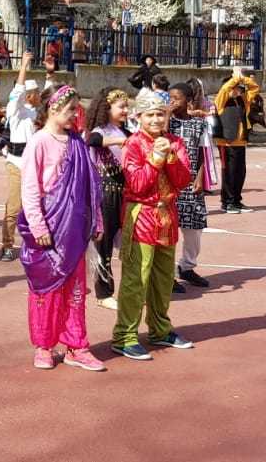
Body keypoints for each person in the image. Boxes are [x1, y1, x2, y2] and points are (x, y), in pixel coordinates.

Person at [16, 86, 108, 372]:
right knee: (47, 289)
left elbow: (90, 186)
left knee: (76, 290)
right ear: (54, 108)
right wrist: (38, 226)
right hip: (49, 225)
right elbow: (30, 188)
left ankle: (76, 346)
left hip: (75, 228)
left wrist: (97, 220)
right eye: (71, 110)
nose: (75, 115)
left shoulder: (77, 142)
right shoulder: (39, 142)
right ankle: (44, 345)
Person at [111, 89, 195, 362]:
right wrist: (156, 158)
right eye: (150, 115)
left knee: (163, 278)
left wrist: (169, 156)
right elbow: (137, 184)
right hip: (142, 217)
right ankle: (125, 336)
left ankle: (160, 329)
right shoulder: (133, 144)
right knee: (136, 278)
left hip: (167, 216)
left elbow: (183, 180)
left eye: (161, 114)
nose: (157, 119)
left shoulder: (175, 142)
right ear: (139, 117)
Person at [86, 88, 130, 309]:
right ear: (108, 108)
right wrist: (116, 141)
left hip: (125, 192)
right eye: (121, 106)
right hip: (106, 193)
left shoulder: (127, 132)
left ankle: (132, 289)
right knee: (103, 244)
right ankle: (104, 293)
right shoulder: (100, 131)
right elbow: (92, 141)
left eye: (126, 106)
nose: (125, 110)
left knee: (130, 244)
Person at [167, 83, 210, 293]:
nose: (172, 102)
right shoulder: (166, 122)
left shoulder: (199, 124)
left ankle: (186, 267)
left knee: (194, 228)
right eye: (170, 98)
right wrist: (167, 115)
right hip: (169, 183)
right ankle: (167, 274)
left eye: (177, 98)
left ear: (189, 101)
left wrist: (200, 178)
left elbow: (202, 153)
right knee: (168, 230)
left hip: (191, 181)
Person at [1, 52, 42, 261]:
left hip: (34, 164)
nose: (39, 96)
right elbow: (17, 92)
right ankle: (7, 244)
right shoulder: (15, 111)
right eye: (37, 93)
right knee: (15, 206)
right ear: (29, 95)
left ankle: (33, 243)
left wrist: (50, 73)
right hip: (16, 163)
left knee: (35, 205)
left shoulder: (37, 113)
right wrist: (24, 66)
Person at [212, 69, 259, 214]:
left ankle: (237, 201)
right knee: (229, 173)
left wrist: (243, 79)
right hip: (227, 143)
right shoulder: (221, 100)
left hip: (240, 142)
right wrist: (235, 78)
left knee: (240, 173)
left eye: (239, 88)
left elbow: (254, 88)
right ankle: (227, 202)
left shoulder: (242, 100)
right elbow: (224, 89)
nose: (238, 90)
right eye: (236, 88)